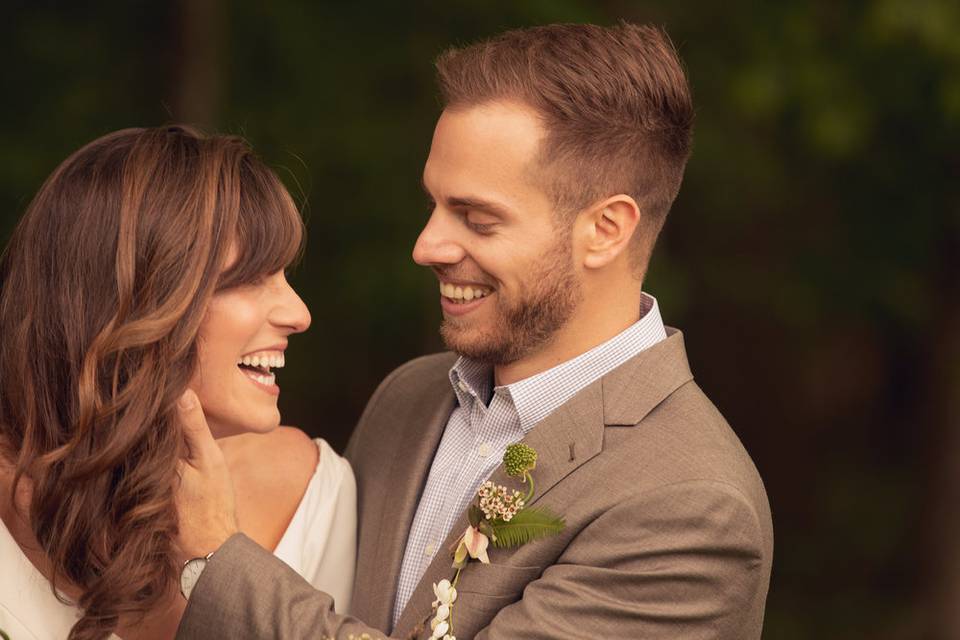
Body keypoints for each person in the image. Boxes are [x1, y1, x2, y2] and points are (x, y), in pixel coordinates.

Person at [174, 22, 773, 639]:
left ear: (606, 229)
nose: (426, 245)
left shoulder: (689, 505)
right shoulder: (407, 399)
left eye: (478, 219)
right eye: (432, 204)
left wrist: (218, 559)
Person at [0, 126, 356, 640]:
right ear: (138, 298)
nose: (300, 313)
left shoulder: (315, 491)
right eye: (252, 277)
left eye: (284, 275)